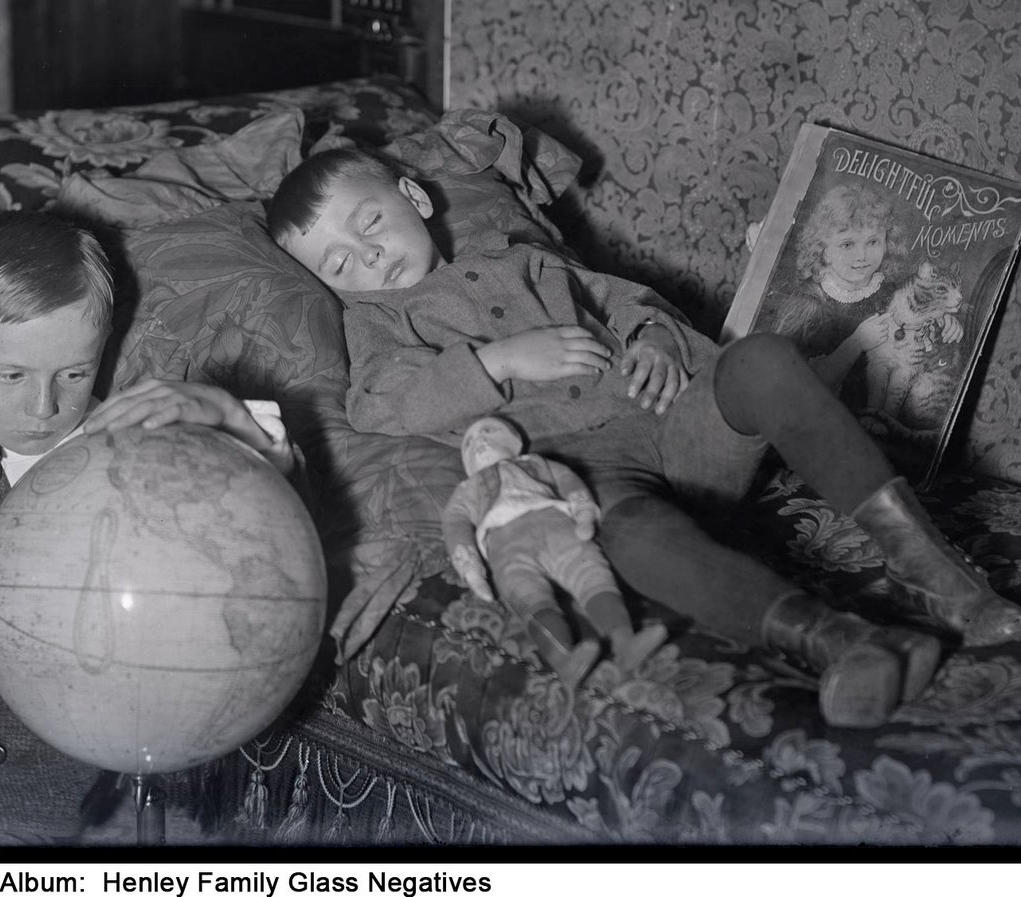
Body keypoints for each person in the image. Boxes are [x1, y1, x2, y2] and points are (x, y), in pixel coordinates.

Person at [266, 148, 1021, 729]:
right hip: (588, 476)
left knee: (760, 359)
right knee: (624, 534)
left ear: (413, 197)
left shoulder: (525, 259)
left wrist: (656, 338)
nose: (367, 256)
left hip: (677, 433)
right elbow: (379, 403)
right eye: (340, 264)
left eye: (368, 225)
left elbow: (632, 303)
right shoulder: (377, 323)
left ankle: (938, 576)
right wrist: (494, 363)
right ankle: (843, 641)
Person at [0, 210, 304, 845]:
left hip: (20, 797)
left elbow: (261, 505)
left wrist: (224, 414)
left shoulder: (123, 455)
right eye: (12, 376)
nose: (45, 407)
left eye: (74, 374)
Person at [442, 416, 667, 685]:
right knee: (527, 594)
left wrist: (584, 513)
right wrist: (472, 570)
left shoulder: (537, 463)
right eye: (468, 443)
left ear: (514, 441)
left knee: (591, 571)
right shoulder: (467, 489)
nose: (478, 440)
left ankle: (624, 640)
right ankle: (563, 659)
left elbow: (568, 480)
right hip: (505, 546)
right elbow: (454, 525)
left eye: (489, 431)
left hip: (557, 525)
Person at [765, 182, 912, 397]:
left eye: (873, 242)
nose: (862, 255)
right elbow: (793, 384)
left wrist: (946, 323)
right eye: (847, 245)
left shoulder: (891, 293)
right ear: (823, 251)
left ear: (887, 242)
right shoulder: (808, 306)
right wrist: (857, 343)